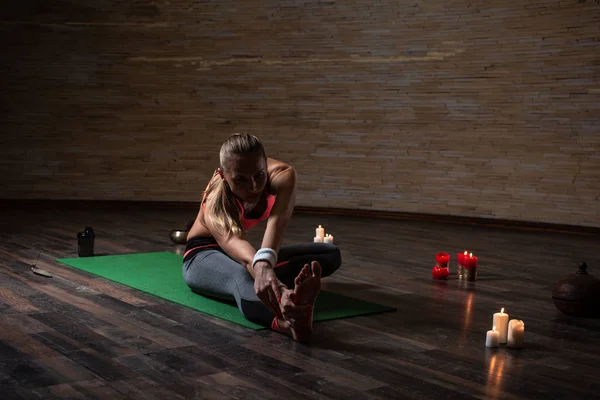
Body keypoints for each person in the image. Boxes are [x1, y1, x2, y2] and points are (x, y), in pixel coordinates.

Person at [182, 133, 341, 342]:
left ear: (265, 165)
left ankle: (286, 298)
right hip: (202, 257)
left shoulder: (284, 175)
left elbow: (277, 222)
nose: (254, 186)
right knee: (242, 277)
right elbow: (239, 247)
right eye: (240, 179)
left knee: (328, 254)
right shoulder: (215, 199)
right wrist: (276, 285)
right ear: (222, 175)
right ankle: (289, 323)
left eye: (259, 175)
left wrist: (264, 264)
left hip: (245, 253)